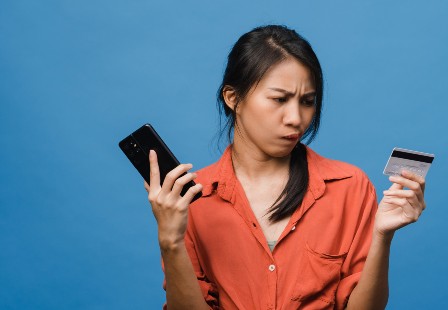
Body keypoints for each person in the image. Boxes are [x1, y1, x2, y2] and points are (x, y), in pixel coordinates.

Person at [144, 25, 427, 310]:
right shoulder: (191, 199)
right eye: (279, 99)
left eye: (307, 102)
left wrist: (382, 236)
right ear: (233, 98)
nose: (296, 118)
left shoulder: (349, 187)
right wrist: (170, 241)